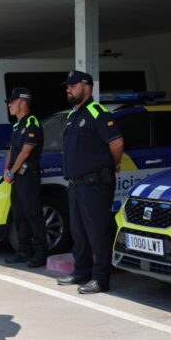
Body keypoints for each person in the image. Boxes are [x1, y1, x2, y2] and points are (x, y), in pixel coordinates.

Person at [56, 71, 124, 294]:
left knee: (97, 233)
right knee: (79, 233)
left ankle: (100, 279)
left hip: (95, 183)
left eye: (73, 85)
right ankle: (81, 272)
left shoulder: (98, 113)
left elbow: (116, 143)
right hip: (76, 184)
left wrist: (111, 165)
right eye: (67, 85)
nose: (68, 88)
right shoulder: (73, 115)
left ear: (87, 86)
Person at [2, 87, 47, 268]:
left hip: (28, 176)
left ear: (22, 102)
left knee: (33, 215)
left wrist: (12, 172)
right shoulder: (16, 125)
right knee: (19, 214)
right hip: (17, 178)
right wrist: (6, 169)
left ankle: (40, 253)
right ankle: (23, 251)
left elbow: (26, 152)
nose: (9, 105)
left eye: (12, 102)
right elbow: (12, 150)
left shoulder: (32, 123)